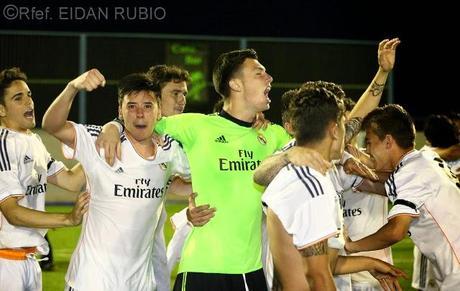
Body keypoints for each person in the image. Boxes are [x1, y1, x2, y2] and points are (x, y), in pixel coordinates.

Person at [98, 49, 330, 290]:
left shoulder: (273, 135)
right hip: (201, 269)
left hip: (251, 273)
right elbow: (139, 120)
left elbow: (328, 136)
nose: (269, 78)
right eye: (259, 73)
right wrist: (112, 127)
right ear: (235, 84)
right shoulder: (197, 126)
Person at [42, 69, 191, 291]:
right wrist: (72, 87)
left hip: (139, 284)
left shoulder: (170, 151)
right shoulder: (99, 142)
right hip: (91, 281)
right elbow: (52, 126)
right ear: (120, 112)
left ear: (159, 112)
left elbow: (196, 177)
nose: (140, 113)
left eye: (148, 106)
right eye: (131, 106)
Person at [345, 104, 460, 289]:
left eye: (369, 143)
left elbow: (396, 230)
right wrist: (362, 174)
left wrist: (351, 247)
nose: (367, 149)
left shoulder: (411, 173)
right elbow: (391, 183)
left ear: (388, 141)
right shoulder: (423, 160)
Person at [0, 67, 89, 291]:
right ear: (1, 109)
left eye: (29, 95)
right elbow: (12, 213)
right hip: (5, 264)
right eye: (18, 98)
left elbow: (70, 181)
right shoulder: (3, 145)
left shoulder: (34, 141)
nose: (28, 102)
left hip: (30, 261)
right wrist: (68, 219)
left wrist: (96, 151)